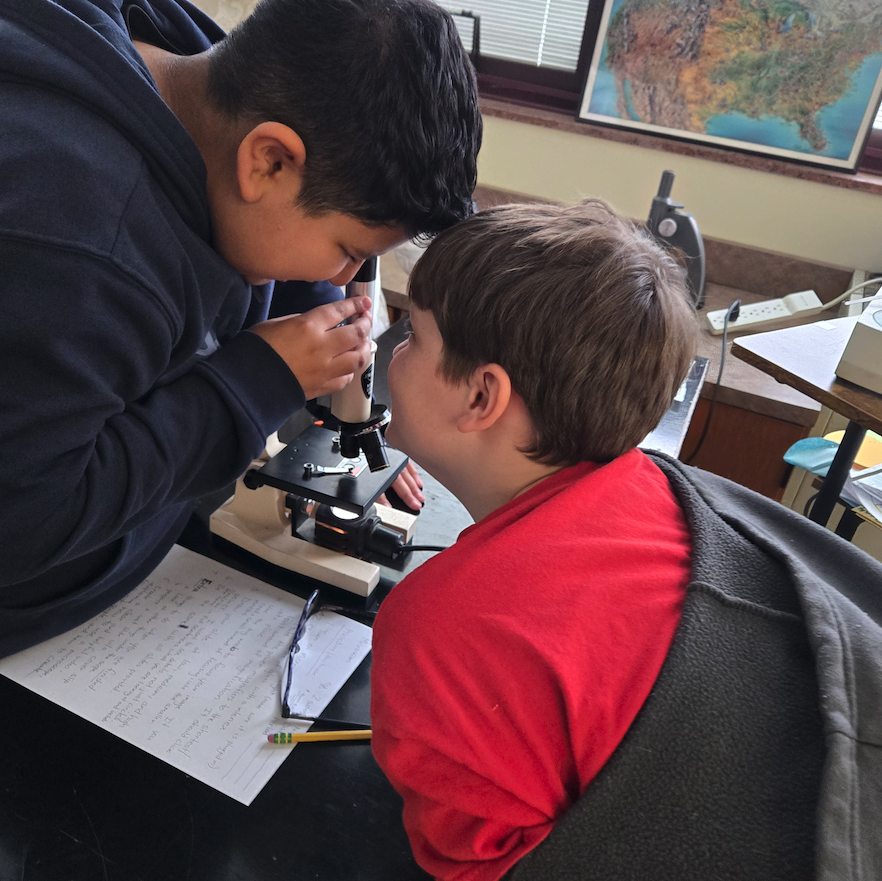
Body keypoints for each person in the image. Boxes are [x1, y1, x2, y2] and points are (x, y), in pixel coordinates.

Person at [370, 200, 882, 881]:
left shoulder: (440, 628)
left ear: (480, 397)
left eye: (411, 335)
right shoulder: (670, 491)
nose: (391, 349)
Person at [0, 0, 481, 657]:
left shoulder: (188, 57)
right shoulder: (88, 251)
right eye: (346, 248)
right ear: (269, 161)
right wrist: (255, 383)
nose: (346, 275)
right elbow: (24, 523)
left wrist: (319, 345)